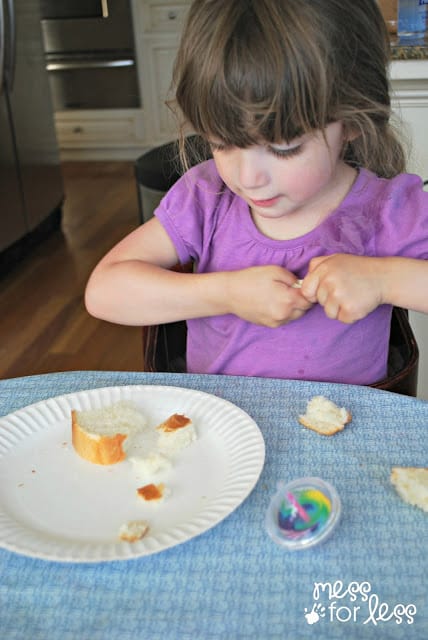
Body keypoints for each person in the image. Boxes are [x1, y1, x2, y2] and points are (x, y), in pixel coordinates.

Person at [85, 0, 428, 385]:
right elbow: (104, 291)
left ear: (350, 121)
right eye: (222, 143)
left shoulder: (389, 210)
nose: (248, 178)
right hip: (218, 427)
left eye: (284, 149)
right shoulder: (206, 195)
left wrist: (386, 281)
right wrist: (226, 293)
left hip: (340, 436)